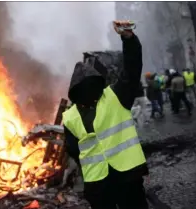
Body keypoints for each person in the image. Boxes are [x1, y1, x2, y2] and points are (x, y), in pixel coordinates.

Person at [63, 20, 148, 209]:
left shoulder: (116, 96)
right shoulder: (69, 117)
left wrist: (129, 40)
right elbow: (73, 149)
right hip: (99, 185)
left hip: (123, 177)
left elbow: (132, 69)